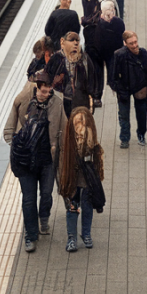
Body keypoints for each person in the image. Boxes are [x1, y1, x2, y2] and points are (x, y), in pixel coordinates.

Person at [3, 70, 67, 251]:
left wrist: (65, 153)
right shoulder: (24, 100)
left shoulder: (57, 103)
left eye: (49, 92)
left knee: (46, 193)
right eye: (43, 91)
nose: (46, 95)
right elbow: (11, 123)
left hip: (47, 158)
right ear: (37, 88)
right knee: (29, 199)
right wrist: (14, 144)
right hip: (26, 159)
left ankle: (44, 217)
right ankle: (30, 235)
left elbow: (64, 127)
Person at [58, 107, 105, 252]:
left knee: (87, 206)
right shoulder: (67, 141)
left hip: (87, 179)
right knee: (72, 207)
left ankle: (86, 234)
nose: (81, 127)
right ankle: (71, 238)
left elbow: (98, 161)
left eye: (84, 123)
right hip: (72, 179)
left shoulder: (92, 140)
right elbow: (62, 162)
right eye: (78, 123)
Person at [110, 30, 147, 149]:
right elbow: (113, 74)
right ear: (125, 43)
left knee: (142, 113)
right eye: (131, 43)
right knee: (123, 115)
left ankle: (141, 135)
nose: (134, 45)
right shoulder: (119, 55)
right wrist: (117, 88)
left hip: (140, 87)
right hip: (124, 88)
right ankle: (124, 138)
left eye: (135, 42)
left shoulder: (143, 53)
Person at [45, 32, 98, 119]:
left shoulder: (84, 59)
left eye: (77, 40)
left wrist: (91, 95)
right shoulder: (57, 58)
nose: (75, 43)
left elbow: (92, 77)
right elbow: (48, 74)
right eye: (71, 40)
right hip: (64, 99)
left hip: (81, 100)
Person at [90, 0, 125, 98]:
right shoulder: (119, 22)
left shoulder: (98, 23)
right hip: (115, 50)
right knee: (113, 66)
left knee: (102, 70)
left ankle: (104, 87)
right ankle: (112, 82)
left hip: (102, 52)